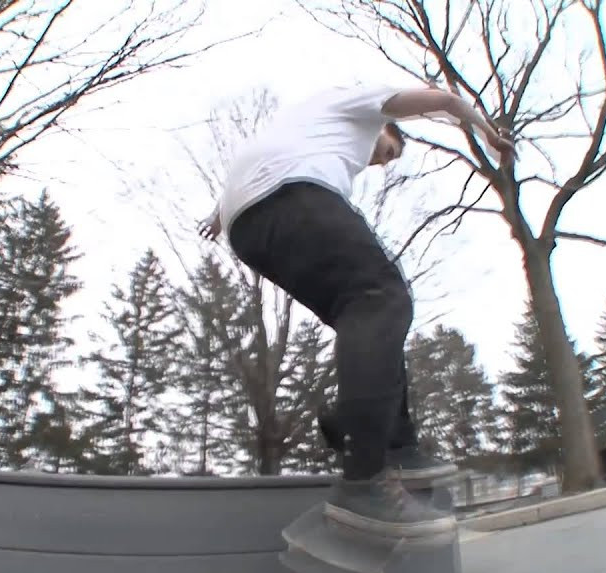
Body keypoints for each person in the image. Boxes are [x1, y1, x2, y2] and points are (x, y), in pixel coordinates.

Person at [197, 84, 516, 539]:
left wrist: (217, 216)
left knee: (369, 320)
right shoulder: (363, 104)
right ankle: (365, 479)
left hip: (248, 227)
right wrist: (488, 133)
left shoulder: (303, 126)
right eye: (388, 152)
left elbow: (250, 176)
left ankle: (384, 436)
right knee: (381, 298)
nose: (380, 162)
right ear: (385, 127)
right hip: (291, 196)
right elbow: (444, 100)